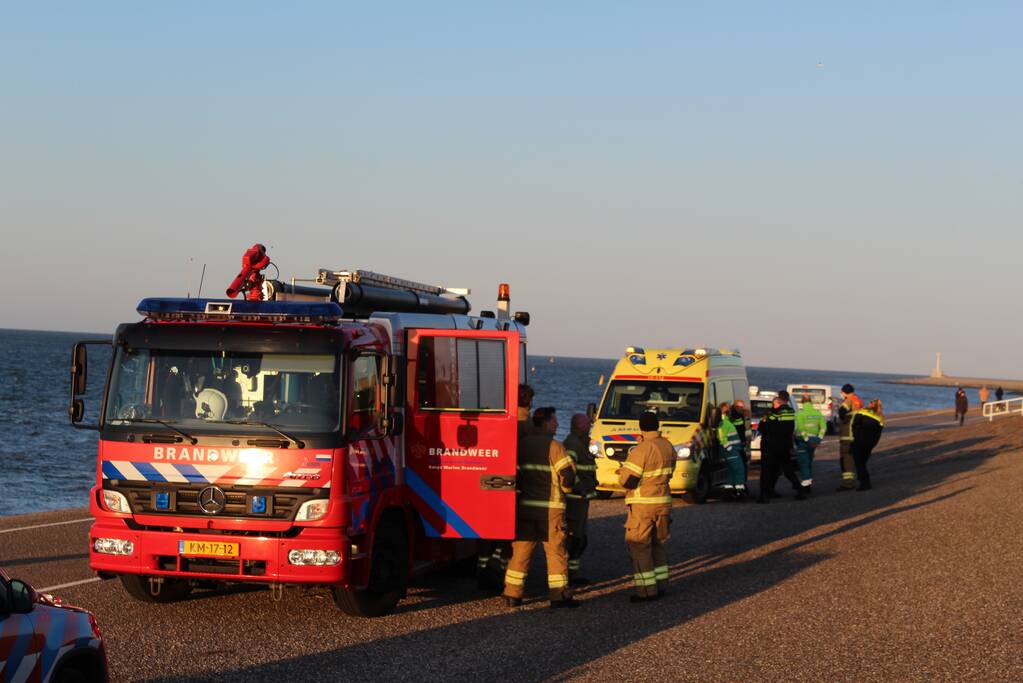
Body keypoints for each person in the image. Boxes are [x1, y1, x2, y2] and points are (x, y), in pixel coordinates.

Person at [503, 407, 579, 608]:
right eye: (554, 421)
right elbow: (567, 474)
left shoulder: (522, 445)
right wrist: (566, 489)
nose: (557, 424)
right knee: (556, 552)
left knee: (521, 551)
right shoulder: (555, 446)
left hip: (525, 507)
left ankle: (512, 594)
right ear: (545, 423)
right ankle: (559, 595)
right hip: (551, 510)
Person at [478, 383, 534, 591]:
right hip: (513, 483)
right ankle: (498, 571)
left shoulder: (497, 416)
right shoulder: (525, 423)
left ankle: (482, 570)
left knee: (487, 531)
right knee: (507, 534)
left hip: (490, 479)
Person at [618, 411, 675, 602]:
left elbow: (627, 480)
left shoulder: (642, 449)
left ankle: (646, 591)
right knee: (657, 544)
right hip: (663, 502)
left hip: (643, 504)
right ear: (657, 426)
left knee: (639, 546)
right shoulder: (668, 446)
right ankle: (661, 585)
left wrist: (622, 471)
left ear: (641, 427)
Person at [563, 413, 597, 585]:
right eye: (586, 424)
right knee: (574, 538)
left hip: (581, 500)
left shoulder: (581, 444)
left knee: (580, 538)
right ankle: (568, 574)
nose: (590, 425)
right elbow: (569, 469)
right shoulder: (572, 444)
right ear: (578, 426)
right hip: (575, 500)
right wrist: (580, 488)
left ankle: (574, 573)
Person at [757, 394, 806, 503]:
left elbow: (763, 427)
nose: (772, 406)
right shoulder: (791, 411)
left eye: (773, 404)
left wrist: (766, 418)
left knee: (766, 471)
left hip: (771, 446)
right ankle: (800, 490)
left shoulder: (773, 414)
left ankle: (763, 495)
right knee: (787, 469)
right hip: (785, 445)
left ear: (778, 403)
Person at [850, 399, 885, 490]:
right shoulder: (880, 418)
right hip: (869, 444)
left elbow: (854, 425)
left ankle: (864, 483)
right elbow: (878, 434)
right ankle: (864, 481)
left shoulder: (862, 412)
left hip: (859, 442)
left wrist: (855, 436)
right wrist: (873, 444)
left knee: (859, 464)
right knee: (862, 463)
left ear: (871, 404)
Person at [716, 402, 748, 499]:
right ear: (726, 412)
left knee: (731, 471)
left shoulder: (725, 421)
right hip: (731, 450)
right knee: (739, 469)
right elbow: (721, 437)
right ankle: (740, 490)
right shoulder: (723, 422)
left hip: (732, 450)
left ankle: (729, 490)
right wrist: (729, 448)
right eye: (729, 410)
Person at [794, 395, 826, 492]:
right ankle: (808, 481)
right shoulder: (817, 413)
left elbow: (800, 428)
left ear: (802, 402)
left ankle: (805, 484)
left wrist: (807, 439)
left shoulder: (800, 413)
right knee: (809, 462)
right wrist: (818, 439)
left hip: (803, 441)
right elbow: (824, 427)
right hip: (814, 441)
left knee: (803, 463)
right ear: (811, 402)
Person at [836, 384, 864, 491]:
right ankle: (854, 481)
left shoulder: (849, 400)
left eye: (842, 392)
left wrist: (843, 417)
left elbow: (842, 411)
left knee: (846, 459)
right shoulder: (859, 401)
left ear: (844, 392)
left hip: (847, 435)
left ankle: (847, 484)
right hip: (857, 435)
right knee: (853, 460)